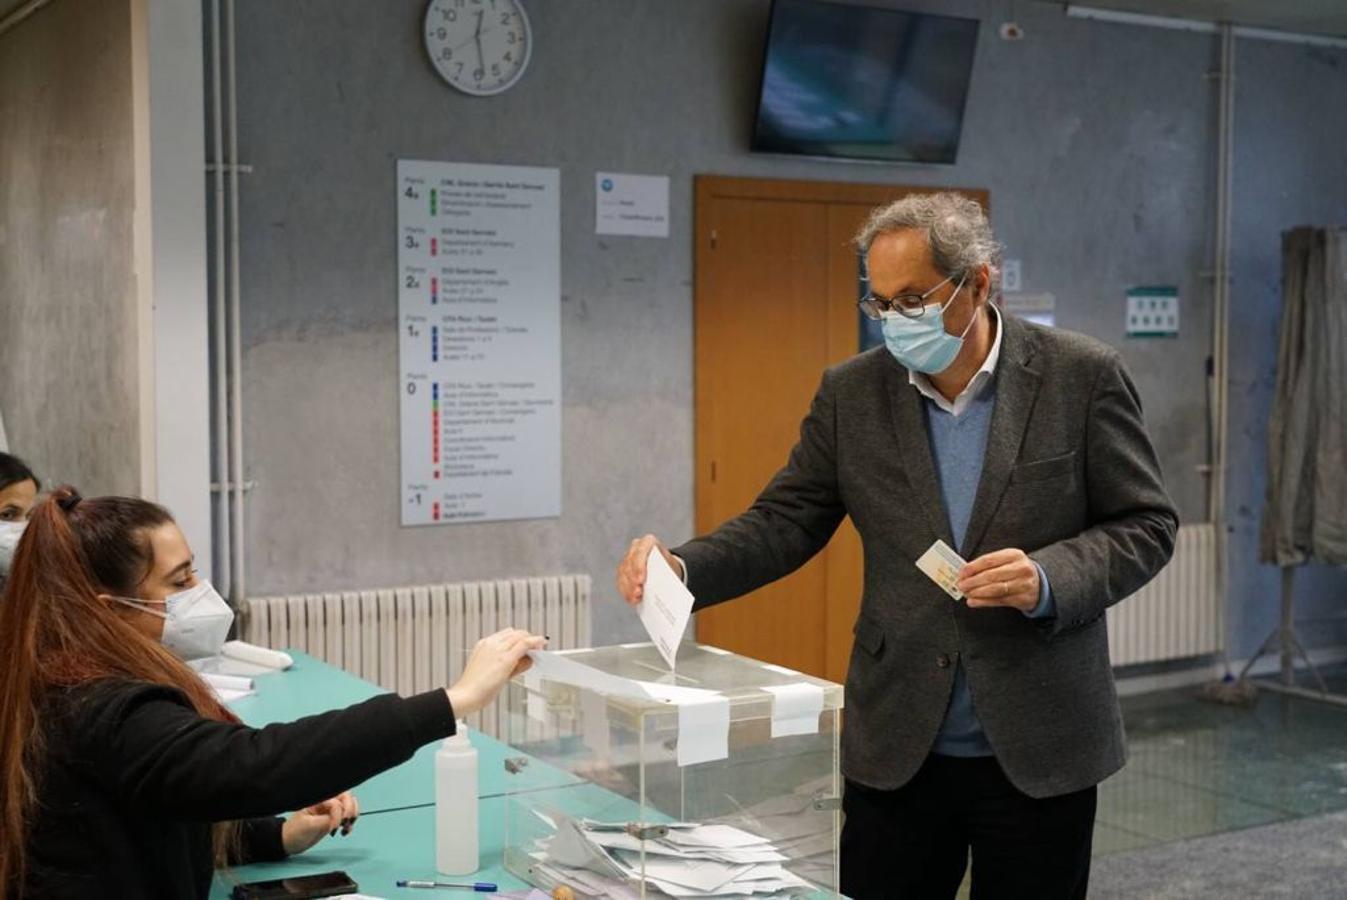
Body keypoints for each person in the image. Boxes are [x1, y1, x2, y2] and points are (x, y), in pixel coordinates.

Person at [616, 193, 1178, 899]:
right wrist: (683, 566)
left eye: (913, 299)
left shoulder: (1079, 375)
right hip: (899, 745)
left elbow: (1146, 525)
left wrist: (1048, 576)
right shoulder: (852, 395)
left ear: (978, 282)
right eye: (879, 304)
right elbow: (786, 519)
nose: (893, 322)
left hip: (1039, 745)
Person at [0, 487, 546, 899]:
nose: (200, 593)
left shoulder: (59, 672)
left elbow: (171, 798)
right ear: (109, 606)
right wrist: (453, 700)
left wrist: (278, 837)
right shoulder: (99, 705)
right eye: (179, 581)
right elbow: (252, 766)